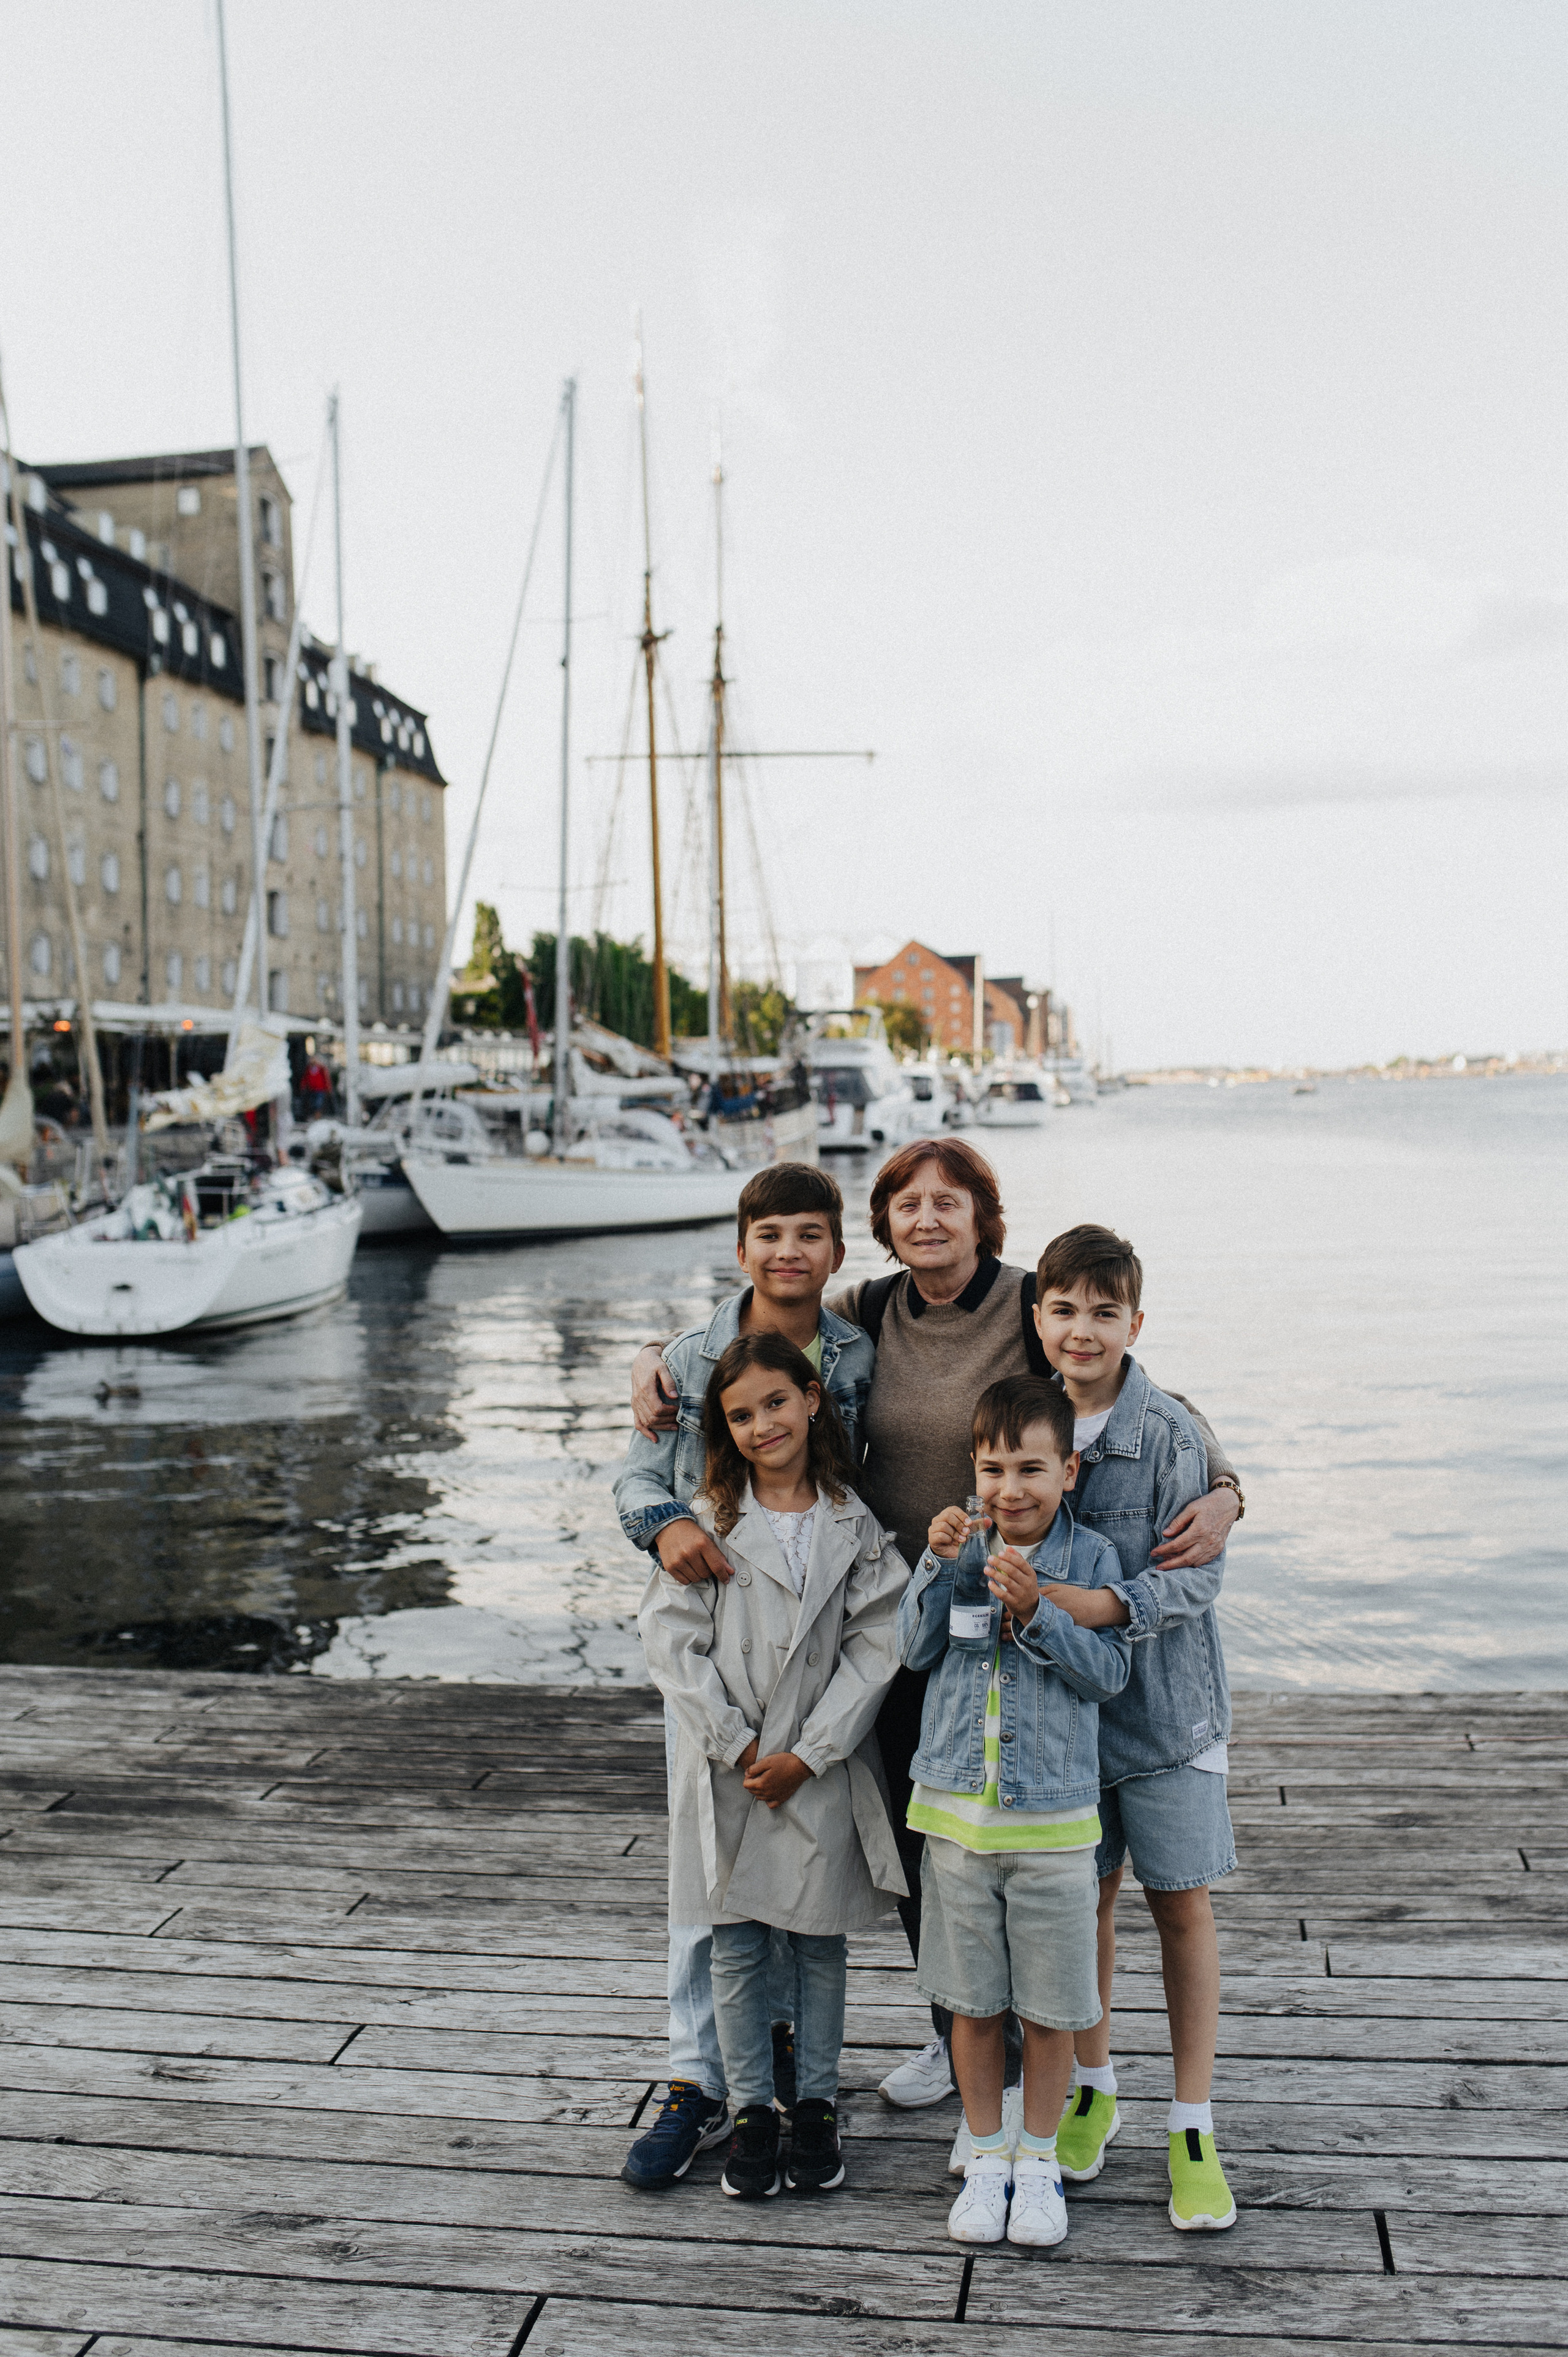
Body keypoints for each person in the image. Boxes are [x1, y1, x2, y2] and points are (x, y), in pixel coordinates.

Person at [630, 1137, 1242, 2109]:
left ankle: (1032, 2053)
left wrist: (1225, 1487)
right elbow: (755, 1341)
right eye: (907, 1205)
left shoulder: (1032, 1299)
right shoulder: (868, 1309)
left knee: (1026, 1843)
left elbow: (1131, 1384)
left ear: (980, 1215)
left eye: (947, 1203)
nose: (927, 1220)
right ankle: (954, 2029)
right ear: (883, 1227)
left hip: (1009, 1602)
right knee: (931, 1844)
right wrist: (657, 1358)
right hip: (895, 1608)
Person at [614, 1163, 876, 2190]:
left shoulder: (861, 1347)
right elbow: (637, 1475)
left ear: (837, 1252)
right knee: (710, 1874)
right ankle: (697, 2078)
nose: (788, 1253)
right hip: (722, 1646)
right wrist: (668, 1521)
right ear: (742, 1247)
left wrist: (1216, 1476)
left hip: (820, 1642)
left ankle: (782, 2076)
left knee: (807, 1878)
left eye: (810, 1235)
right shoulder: (689, 1357)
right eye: (769, 1234)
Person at [639, 1333, 907, 2199]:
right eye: (741, 1414)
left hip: (816, 1768)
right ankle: (752, 2107)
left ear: (813, 1399)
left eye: (776, 1403)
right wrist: (737, 1743)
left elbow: (879, 1643)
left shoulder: (854, 1523)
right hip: (733, 1771)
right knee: (739, 1941)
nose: (763, 1425)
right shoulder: (711, 1520)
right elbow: (671, 1643)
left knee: (819, 1942)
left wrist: (810, 1751)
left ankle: (818, 2106)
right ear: (724, 1429)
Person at [1029, 1224, 1238, 2233]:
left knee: (1182, 1910)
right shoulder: (1028, 1425)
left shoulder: (1170, 1432)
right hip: (1070, 1728)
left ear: (1135, 1322)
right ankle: (1095, 2085)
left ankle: (1192, 2122)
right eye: (1064, 1310)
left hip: (1167, 1719)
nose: (1082, 1330)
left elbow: (1198, 1575)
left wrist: (1112, 1608)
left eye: (1104, 1313)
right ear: (1038, 1317)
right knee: (1088, 1907)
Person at [899, 1374, 1130, 2247]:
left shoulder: (1096, 1563)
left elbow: (1110, 1676)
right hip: (958, 1823)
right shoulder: (959, 1547)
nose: (1011, 1489)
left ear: (1068, 1472)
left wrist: (1038, 1611)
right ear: (974, 1468)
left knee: (1051, 2011)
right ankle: (986, 2153)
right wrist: (935, 1562)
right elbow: (911, 1651)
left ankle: (1040, 2167)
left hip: (1059, 1831)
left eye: (1032, 1468)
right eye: (994, 1468)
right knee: (971, 2004)